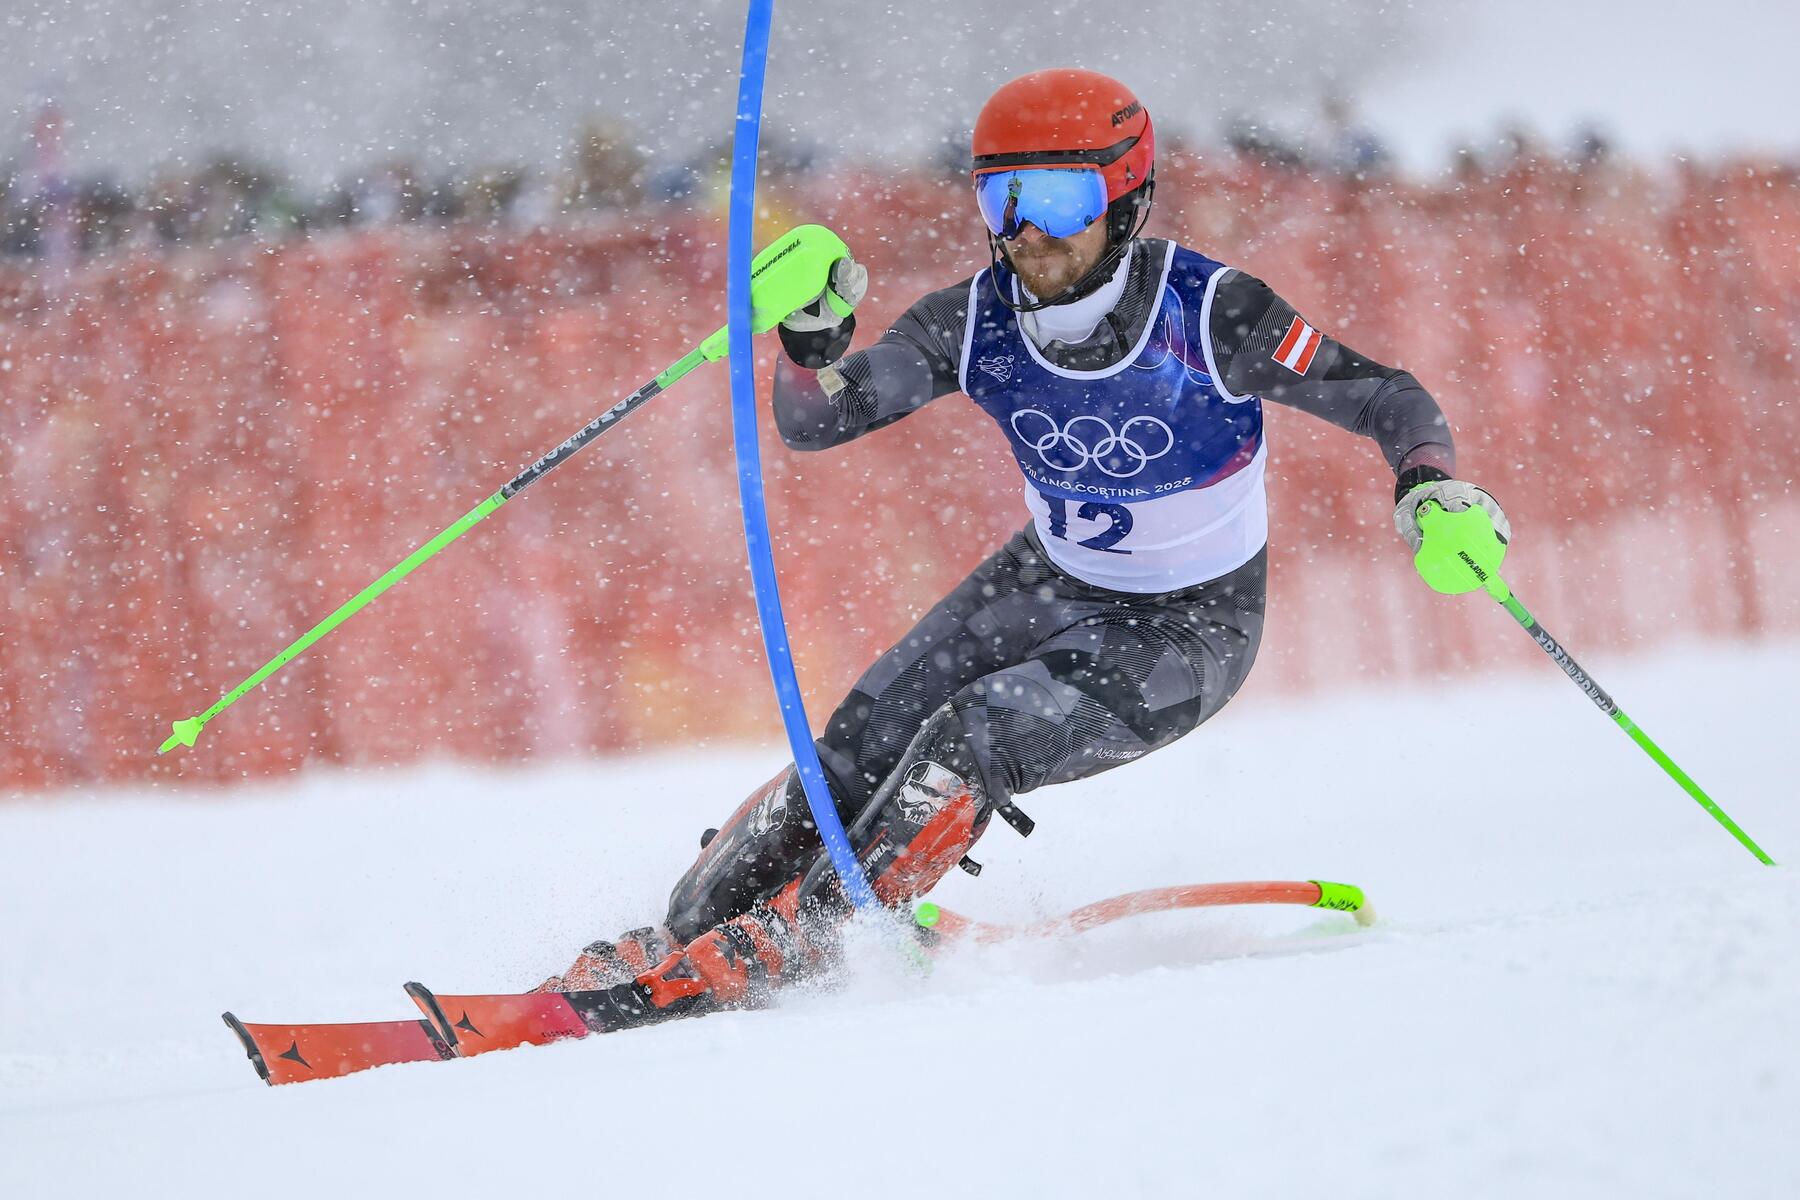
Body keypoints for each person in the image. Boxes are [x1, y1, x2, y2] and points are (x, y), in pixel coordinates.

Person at [539, 69, 1508, 1024]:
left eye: (1058, 196)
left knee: (975, 735)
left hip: (1190, 628)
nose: (1027, 230)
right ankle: (680, 937)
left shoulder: (1209, 313)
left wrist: (1432, 482)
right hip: (1048, 579)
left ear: (1125, 198)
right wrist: (810, 342)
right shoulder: (975, 320)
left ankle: (819, 934)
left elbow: (1386, 395)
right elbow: (818, 421)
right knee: (862, 740)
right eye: (1002, 198)